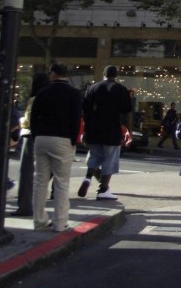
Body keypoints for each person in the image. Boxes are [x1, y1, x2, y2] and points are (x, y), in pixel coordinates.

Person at [30, 63, 82, 232]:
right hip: (63, 138)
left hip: (42, 137)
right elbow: (76, 119)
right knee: (61, 182)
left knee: (40, 181)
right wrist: (73, 140)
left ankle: (39, 220)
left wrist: (36, 134)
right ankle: (60, 222)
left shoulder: (43, 92)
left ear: (52, 74)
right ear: (66, 74)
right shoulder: (74, 94)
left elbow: (34, 117)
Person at [78, 65, 132, 202]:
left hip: (94, 129)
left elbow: (85, 111)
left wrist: (85, 131)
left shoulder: (92, 88)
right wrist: (128, 131)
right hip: (112, 129)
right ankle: (103, 189)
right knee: (110, 159)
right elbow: (126, 112)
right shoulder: (121, 89)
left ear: (104, 74)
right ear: (116, 75)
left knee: (95, 156)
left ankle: (87, 178)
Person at [13, 72, 50, 217]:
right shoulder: (50, 98)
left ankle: (25, 206)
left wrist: (21, 121)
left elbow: (28, 120)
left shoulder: (35, 99)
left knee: (26, 173)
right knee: (42, 175)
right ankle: (38, 207)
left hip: (30, 136)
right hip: (47, 136)